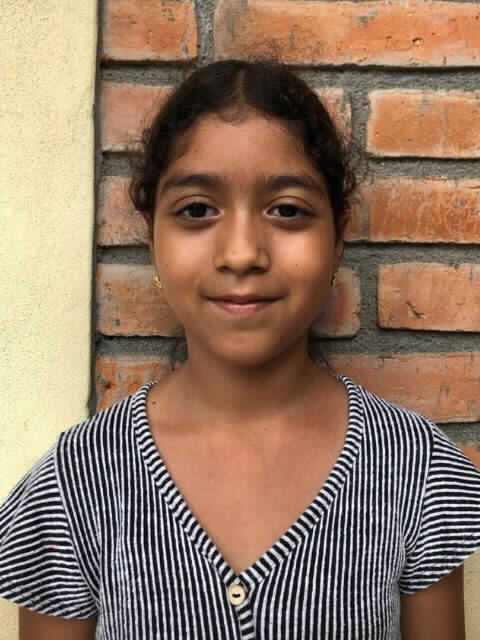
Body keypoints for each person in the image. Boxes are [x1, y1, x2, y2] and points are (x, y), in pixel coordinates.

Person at [1, 59, 480, 640]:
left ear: (337, 238)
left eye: (287, 210)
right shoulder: (74, 485)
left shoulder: (416, 469)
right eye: (197, 210)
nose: (242, 253)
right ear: (153, 238)